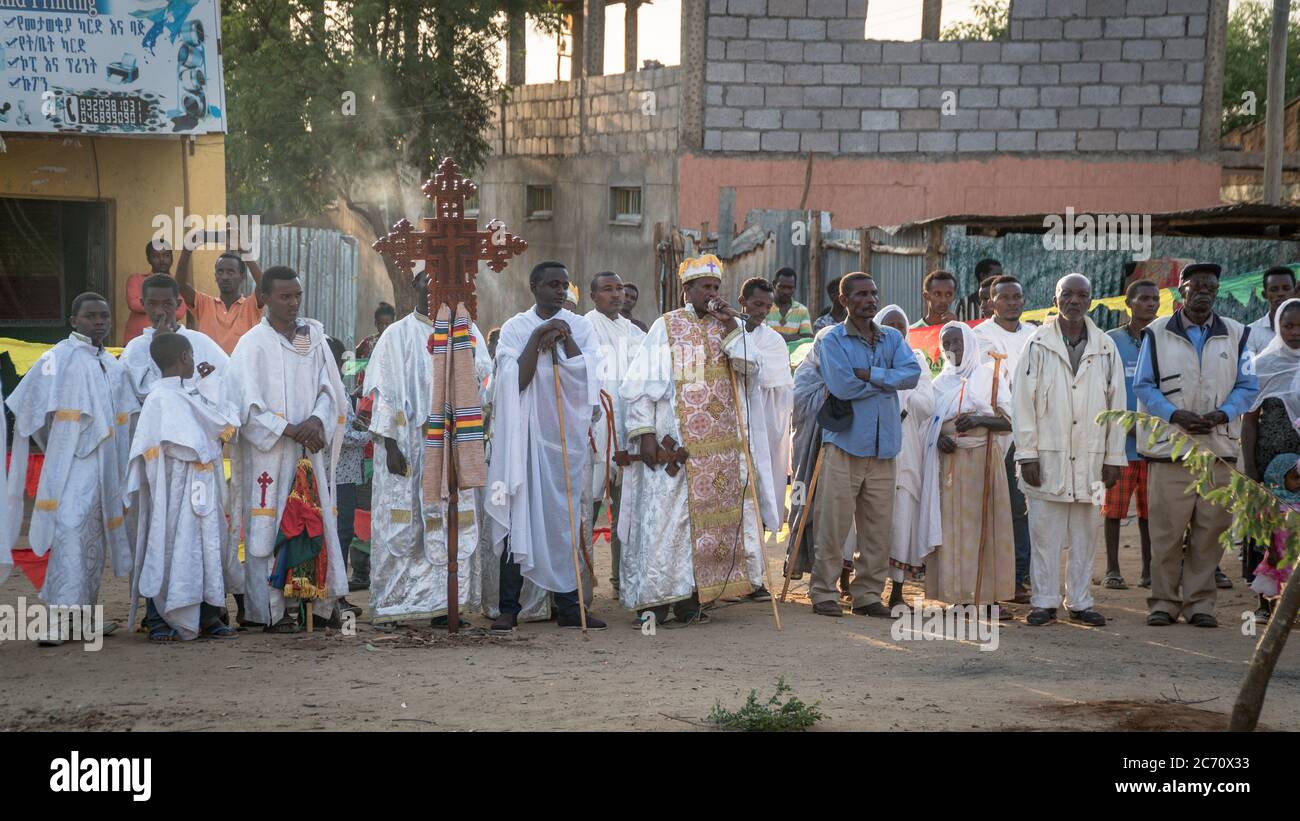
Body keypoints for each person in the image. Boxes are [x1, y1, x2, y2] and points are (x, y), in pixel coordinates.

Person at [619, 255, 771, 625]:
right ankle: (653, 601)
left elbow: (751, 371)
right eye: (706, 287)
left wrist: (733, 326)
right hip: (675, 445)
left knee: (709, 528)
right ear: (687, 290)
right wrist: (647, 437)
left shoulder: (729, 329)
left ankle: (692, 597)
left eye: (717, 287)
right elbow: (640, 388)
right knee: (665, 523)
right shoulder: (666, 326)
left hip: (719, 449)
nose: (713, 294)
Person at [4, 293, 137, 645]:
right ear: (73, 320)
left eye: (104, 316)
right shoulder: (58, 357)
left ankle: (83, 617)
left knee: (94, 538)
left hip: (106, 465)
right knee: (69, 530)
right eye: (91, 316)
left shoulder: (113, 364)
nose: (99, 322)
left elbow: (128, 415)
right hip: (73, 464)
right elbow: (27, 404)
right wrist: (58, 443)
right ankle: (58, 618)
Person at [224, 266, 351, 633]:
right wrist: (288, 428)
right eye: (284, 296)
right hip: (269, 456)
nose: (293, 302)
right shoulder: (250, 345)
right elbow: (244, 406)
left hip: (307, 452)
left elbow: (331, 390)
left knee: (313, 522)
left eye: (297, 295)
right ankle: (271, 611)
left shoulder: (311, 340)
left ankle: (317, 605)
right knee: (269, 526)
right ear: (263, 298)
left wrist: (316, 420)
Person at [363, 272, 492, 627]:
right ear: (414, 287)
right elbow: (384, 393)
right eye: (427, 282)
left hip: (451, 444)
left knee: (449, 520)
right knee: (405, 526)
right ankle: (395, 605)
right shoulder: (397, 334)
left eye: (444, 283)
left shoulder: (466, 330)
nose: (435, 289)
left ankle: (445, 605)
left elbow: (484, 383)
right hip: (409, 445)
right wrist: (389, 444)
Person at [1135, 262, 1258, 628]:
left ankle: (1201, 604)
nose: (1204, 292)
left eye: (1211, 287)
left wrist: (1224, 413)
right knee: (1166, 533)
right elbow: (1143, 386)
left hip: (1219, 449)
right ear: (1180, 291)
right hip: (1170, 450)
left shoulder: (1239, 334)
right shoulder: (1156, 333)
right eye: (1196, 286)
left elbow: (1249, 386)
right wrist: (1175, 415)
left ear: (1218, 291)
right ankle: (1163, 603)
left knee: (1210, 532)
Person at [487, 261, 605, 632]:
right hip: (523, 442)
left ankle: (569, 607)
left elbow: (585, 378)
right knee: (516, 517)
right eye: (553, 284)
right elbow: (512, 382)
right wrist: (538, 338)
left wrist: (564, 336)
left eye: (565, 284)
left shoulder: (582, 326)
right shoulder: (515, 328)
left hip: (562, 444)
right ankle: (510, 607)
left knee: (563, 522)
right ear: (533, 286)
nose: (560, 290)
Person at [1013, 274, 1126, 627]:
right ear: (1055, 298)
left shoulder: (1105, 347)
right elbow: (1022, 403)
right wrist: (1027, 453)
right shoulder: (1037, 344)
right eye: (1067, 294)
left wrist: (1113, 457)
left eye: (1082, 295)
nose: (1074, 301)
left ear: (1091, 301)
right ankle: (1043, 602)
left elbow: (1117, 406)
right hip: (1046, 457)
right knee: (1044, 533)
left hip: (1093, 461)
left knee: (1086, 533)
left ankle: (1079, 601)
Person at [810, 273, 921, 618]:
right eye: (861, 294)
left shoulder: (891, 337)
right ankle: (824, 592)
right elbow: (843, 386)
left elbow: (912, 374)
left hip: (885, 448)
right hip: (844, 445)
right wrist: (887, 379)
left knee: (878, 529)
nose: (870, 300)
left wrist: (870, 374)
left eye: (873, 293)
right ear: (844, 300)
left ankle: (868, 595)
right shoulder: (831, 340)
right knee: (833, 525)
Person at [125, 332, 241, 642]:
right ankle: (158, 618)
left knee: (204, 548)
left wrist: (210, 385)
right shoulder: (159, 399)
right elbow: (158, 445)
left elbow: (220, 423)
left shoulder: (189, 393)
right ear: (186, 358)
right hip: (171, 489)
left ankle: (208, 616)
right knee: (166, 546)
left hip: (201, 485)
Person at [919, 323, 1015, 610]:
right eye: (946, 344)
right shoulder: (939, 385)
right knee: (953, 530)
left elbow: (1010, 421)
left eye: (957, 343)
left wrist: (979, 420)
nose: (952, 350)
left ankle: (987, 597)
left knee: (985, 527)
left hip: (983, 463)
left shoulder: (989, 377)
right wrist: (938, 440)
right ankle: (958, 595)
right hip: (949, 465)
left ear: (970, 344)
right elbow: (928, 426)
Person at [972, 274, 1037, 600]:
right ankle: (999, 580)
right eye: (1005, 297)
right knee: (999, 510)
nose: (1012, 303)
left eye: (1017, 297)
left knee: (1026, 509)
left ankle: (1021, 577)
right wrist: (1022, 418)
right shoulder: (980, 336)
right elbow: (993, 387)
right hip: (996, 436)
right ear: (991, 302)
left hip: (1030, 435)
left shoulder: (1037, 335)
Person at [584, 271, 645, 592]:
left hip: (629, 434)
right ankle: (577, 588)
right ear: (593, 295)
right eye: (607, 289)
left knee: (626, 513)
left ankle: (623, 582)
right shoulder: (583, 328)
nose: (616, 294)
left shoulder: (634, 332)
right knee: (588, 509)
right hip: (594, 434)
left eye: (620, 288)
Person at [1241, 297, 1300, 622]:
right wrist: (1250, 467)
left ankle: (1292, 604)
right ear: (1278, 327)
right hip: (1269, 465)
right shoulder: (1264, 364)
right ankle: (1264, 604)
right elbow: (1249, 421)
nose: (1294, 332)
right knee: (1266, 532)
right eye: (1288, 325)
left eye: (1299, 326)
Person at [1102, 278, 1160, 590]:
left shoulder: (1164, 338)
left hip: (1156, 444)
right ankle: (1112, 569)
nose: (1149, 304)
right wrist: (1122, 425)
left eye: (1154, 299)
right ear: (1129, 303)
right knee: (1114, 509)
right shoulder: (1111, 340)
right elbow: (1103, 387)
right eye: (1143, 299)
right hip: (1119, 444)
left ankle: (1149, 571)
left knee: (1150, 513)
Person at [875, 305, 935, 609]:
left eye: (901, 325)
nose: (897, 330)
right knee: (870, 519)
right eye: (890, 325)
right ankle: (862, 587)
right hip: (872, 448)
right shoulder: (868, 356)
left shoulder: (917, 360)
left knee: (901, 520)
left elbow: (928, 404)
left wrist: (905, 390)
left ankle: (897, 592)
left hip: (906, 449)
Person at [738, 277, 794, 534]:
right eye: (756, 304)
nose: (761, 311)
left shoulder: (773, 341)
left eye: (766, 307)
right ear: (743, 302)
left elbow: (767, 376)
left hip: (763, 424)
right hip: (731, 422)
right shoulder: (724, 330)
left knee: (760, 486)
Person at [120, 274, 228, 404]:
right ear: (143, 304)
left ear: (178, 304)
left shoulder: (201, 341)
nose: (159, 311)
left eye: (167, 304)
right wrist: (160, 346)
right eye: (152, 303)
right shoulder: (135, 348)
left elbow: (227, 378)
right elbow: (139, 394)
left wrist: (209, 382)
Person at [326, 337, 366, 619]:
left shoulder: (331, 387)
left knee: (340, 533)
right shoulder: (332, 388)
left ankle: (334, 596)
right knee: (340, 533)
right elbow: (344, 434)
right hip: (339, 474)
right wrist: (373, 435)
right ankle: (334, 599)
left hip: (341, 473)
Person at [176, 232, 265, 355]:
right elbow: (180, 285)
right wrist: (187, 250)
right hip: (211, 371)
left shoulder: (250, 306)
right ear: (215, 276)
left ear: (242, 276)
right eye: (220, 272)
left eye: (230, 272)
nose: (224, 277)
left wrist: (244, 252)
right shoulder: (204, 304)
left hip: (241, 371)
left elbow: (265, 287)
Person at [125, 240, 189, 344]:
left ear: (172, 258)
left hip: (165, 339)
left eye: (166, 255)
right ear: (149, 259)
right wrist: (167, 306)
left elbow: (180, 312)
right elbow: (134, 304)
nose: (162, 260)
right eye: (156, 256)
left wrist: (151, 305)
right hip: (135, 338)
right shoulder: (136, 279)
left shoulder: (177, 284)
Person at [1245, 266, 1297, 358]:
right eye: (1274, 289)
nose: (1280, 293)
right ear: (1264, 295)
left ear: (1295, 291)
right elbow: (1248, 369)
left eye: (1286, 288)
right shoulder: (1251, 332)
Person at [352, 302, 396, 395]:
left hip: (387, 389)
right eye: (381, 324)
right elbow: (356, 356)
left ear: (393, 323)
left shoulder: (396, 343)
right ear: (376, 323)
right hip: (366, 389)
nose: (384, 327)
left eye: (387, 324)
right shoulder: (368, 342)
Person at [766, 267, 813, 342]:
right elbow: (762, 335)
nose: (786, 292)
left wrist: (774, 336)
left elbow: (808, 338)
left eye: (790, 288)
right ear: (774, 284)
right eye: (782, 287)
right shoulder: (764, 307)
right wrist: (796, 337)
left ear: (795, 287)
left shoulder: (802, 310)